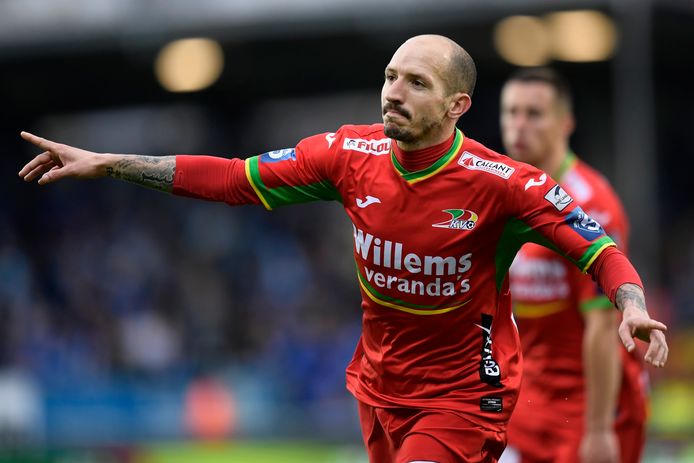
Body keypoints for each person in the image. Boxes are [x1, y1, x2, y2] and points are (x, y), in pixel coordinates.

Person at [18, 35, 667, 463]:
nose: (394, 92)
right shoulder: (346, 155)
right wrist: (111, 163)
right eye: (390, 76)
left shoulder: (505, 186)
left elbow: (599, 248)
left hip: (464, 398)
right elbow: (235, 178)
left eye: (416, 83)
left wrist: (632, 304)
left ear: (457, 105)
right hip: (379, 389)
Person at [498, 68, 650, 463]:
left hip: (590, 405)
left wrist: (598, 429)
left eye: (533, 114)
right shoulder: (502, 196)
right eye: (511, 112)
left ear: (565, 123)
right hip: (529, 400)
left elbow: (602, 328)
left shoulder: (590, 205)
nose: (519, 124)